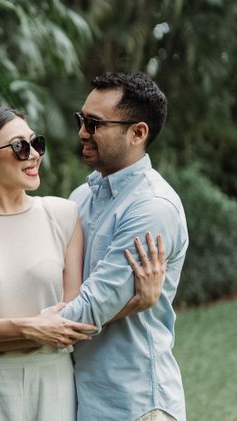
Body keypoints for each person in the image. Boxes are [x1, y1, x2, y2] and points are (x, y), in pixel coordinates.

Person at [0, 105, 165, 420]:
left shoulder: (63, 215)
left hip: (53, 382)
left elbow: (71, 318)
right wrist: (24, 329)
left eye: (35, 143)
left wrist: (139, 301)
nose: (34, 155)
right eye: (19, 147)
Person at [58, 73, 188, 421]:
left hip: (134, 403)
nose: (82, 132)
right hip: (83, 399)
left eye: (94, 123)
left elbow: (88, 310)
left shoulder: (152, 207)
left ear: (138, 133)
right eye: (81, 120)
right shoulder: (81, 197)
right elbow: (59, 289)